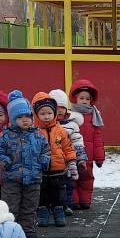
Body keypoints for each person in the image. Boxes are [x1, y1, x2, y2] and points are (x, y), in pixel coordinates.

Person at [0, 90, 48, 238]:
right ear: (12, 119)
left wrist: (44, 160)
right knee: (11, 206)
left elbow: (46, 149)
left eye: (27, 116)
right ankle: (9, 231)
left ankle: (27, 229)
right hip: (12, 178)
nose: (25, 120)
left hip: (33, 177)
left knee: (30, 206)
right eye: (20, 117)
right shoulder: (6, 135)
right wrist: (5, 162)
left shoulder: (37, 134)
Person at [31, 93, 78, 227]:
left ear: (55, 113)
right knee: (42, 194)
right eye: (43, 113)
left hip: (58, 170)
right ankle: (43, 214)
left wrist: (71, 162)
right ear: (36, 114)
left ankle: (59, 213)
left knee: (59, 193)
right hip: (41, 171)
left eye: (49, 113)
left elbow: (68, 147)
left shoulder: (61, 131)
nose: (46, 116)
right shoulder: (34, 132)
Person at [69, 78, 105, 210]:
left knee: (87, 178)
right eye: (81, 98)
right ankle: (74, 200)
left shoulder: (94, 117)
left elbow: (97, 139)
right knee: (73, 178)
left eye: (87, 99)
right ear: (75, 99)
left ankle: (85, 200)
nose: (84, 101)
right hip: (72, 154)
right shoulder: (70, 115)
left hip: (88, 156)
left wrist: (99, 157)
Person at [49, 89, 87, 214]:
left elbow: (78, 142)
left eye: (62, 107)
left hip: (68, 161)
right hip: (52, 162)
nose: (60, 110)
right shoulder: (46, 125)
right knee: (51, 185)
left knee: (68, 184)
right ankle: (51, 204)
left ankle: (67, 205)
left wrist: (81, 158)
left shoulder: (72, 125)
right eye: (57, 107)